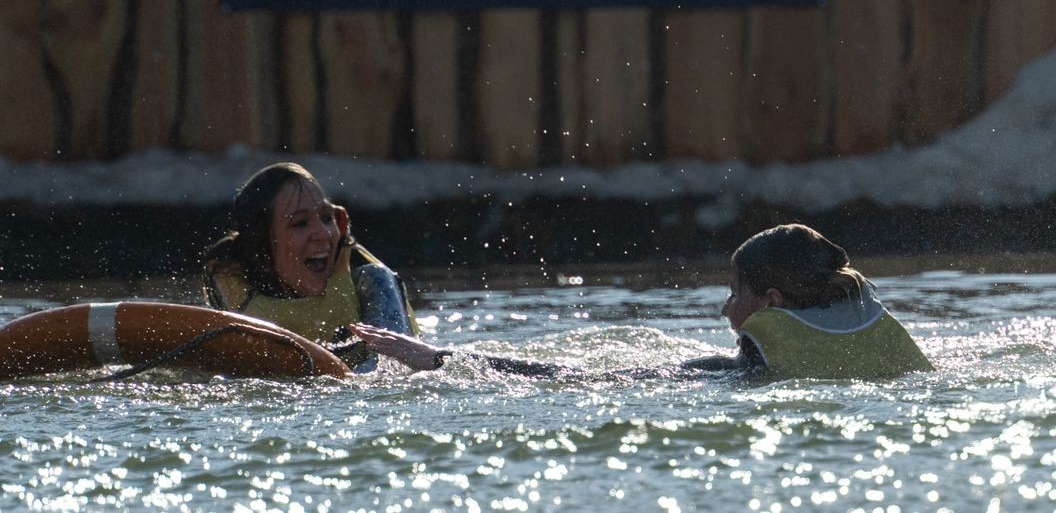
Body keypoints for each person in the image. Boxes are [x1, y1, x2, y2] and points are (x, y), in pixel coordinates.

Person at [350, 224, 933, 380]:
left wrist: (439, 359)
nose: (726, 312)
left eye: (735, 295)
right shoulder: (881, 342)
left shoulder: (751, 368)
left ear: (772, 303)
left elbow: (575, 376)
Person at [203, 162, 418, 372]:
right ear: (262, 244)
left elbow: (389, 377)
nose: (324, 234)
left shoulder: (372, 283)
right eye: (300, 223)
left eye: (326, 218)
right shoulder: (230, 284)